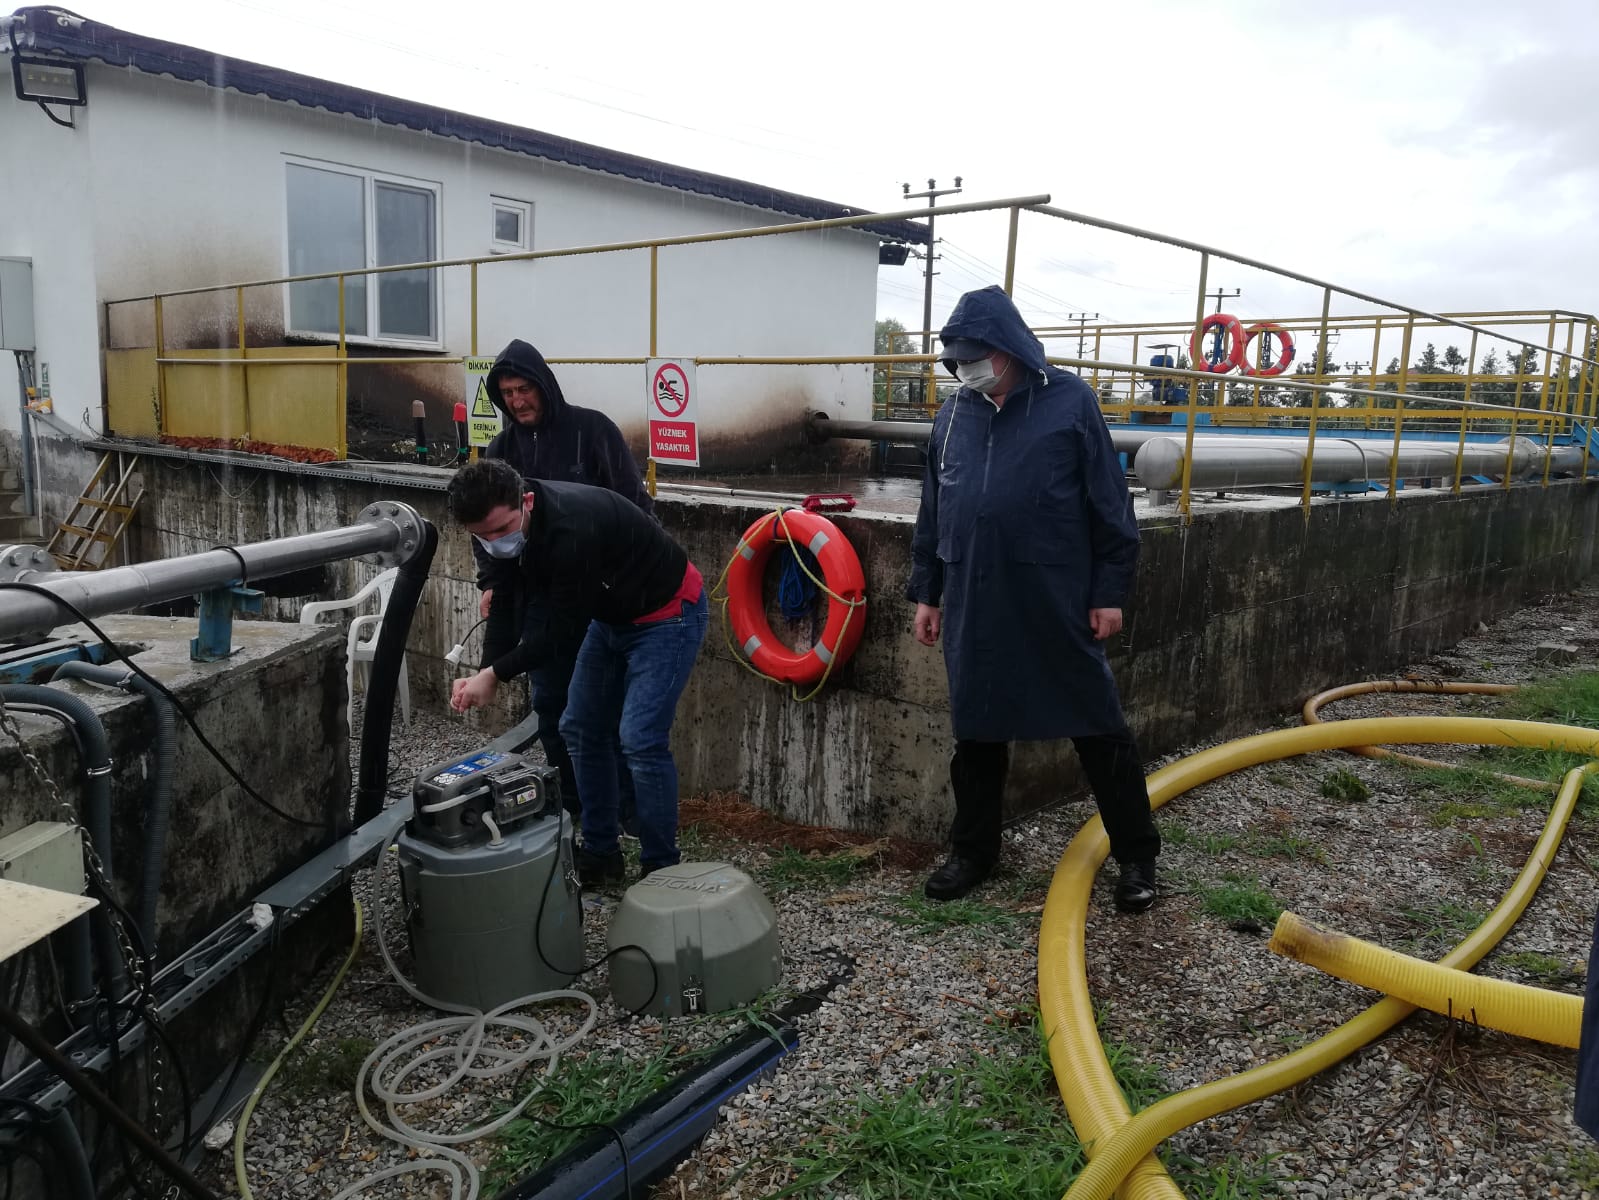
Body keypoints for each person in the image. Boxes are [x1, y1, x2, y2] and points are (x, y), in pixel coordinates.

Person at [906, 285, 1161, 912]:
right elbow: (935, 509)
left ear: (1010, 350)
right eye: (959, 358)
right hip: (974, 596)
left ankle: (1136, 856)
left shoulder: (1070, 402)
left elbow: (1109, 504)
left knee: (1099, 729)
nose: (968, 368)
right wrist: (928, 594)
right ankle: (973, 851)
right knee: (978, 733)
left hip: (1055, 597)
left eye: (978, 355)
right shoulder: (952, 414)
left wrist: (1108, 593)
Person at [448, 459, 708, 884]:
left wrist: (496, 674)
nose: (495, 541)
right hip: (611, 617)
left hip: (667, 613)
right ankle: (602, 853)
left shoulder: (573, 528)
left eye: (502, 529)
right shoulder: (495, 531)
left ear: (526, 500)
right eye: (482, 536)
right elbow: (506, 600)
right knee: (580, 728)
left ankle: (661, 868)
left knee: (640, 739)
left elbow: (561, 635)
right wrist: (486, 669)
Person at [475, 338, 651, 826]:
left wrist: (623, 581)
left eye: (524, 388)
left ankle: (627, 813)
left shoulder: (592, 431)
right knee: (552, 709)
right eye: (507, 392)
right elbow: (484, 525)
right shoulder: (501, 449)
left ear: (545, 385)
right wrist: (490, 581)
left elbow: (635, 507)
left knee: (606, 713)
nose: (517, 400)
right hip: (538, 598)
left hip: (602, 599)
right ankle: (572, 805)